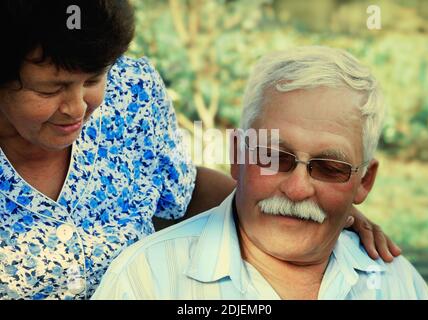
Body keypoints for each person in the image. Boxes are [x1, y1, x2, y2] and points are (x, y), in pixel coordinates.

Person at [0, 1, 398, 300]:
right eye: (49, 90)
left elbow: (184, 189)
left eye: (93, 79)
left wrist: (312, 206)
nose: (78, 107)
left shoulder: (130, 92)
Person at [92, 46, 428, 300]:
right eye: (273, 157)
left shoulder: (396, 283)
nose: (298, 189)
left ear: (364, 182)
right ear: (237, 156)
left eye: (329, 168)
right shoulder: (148, 281)